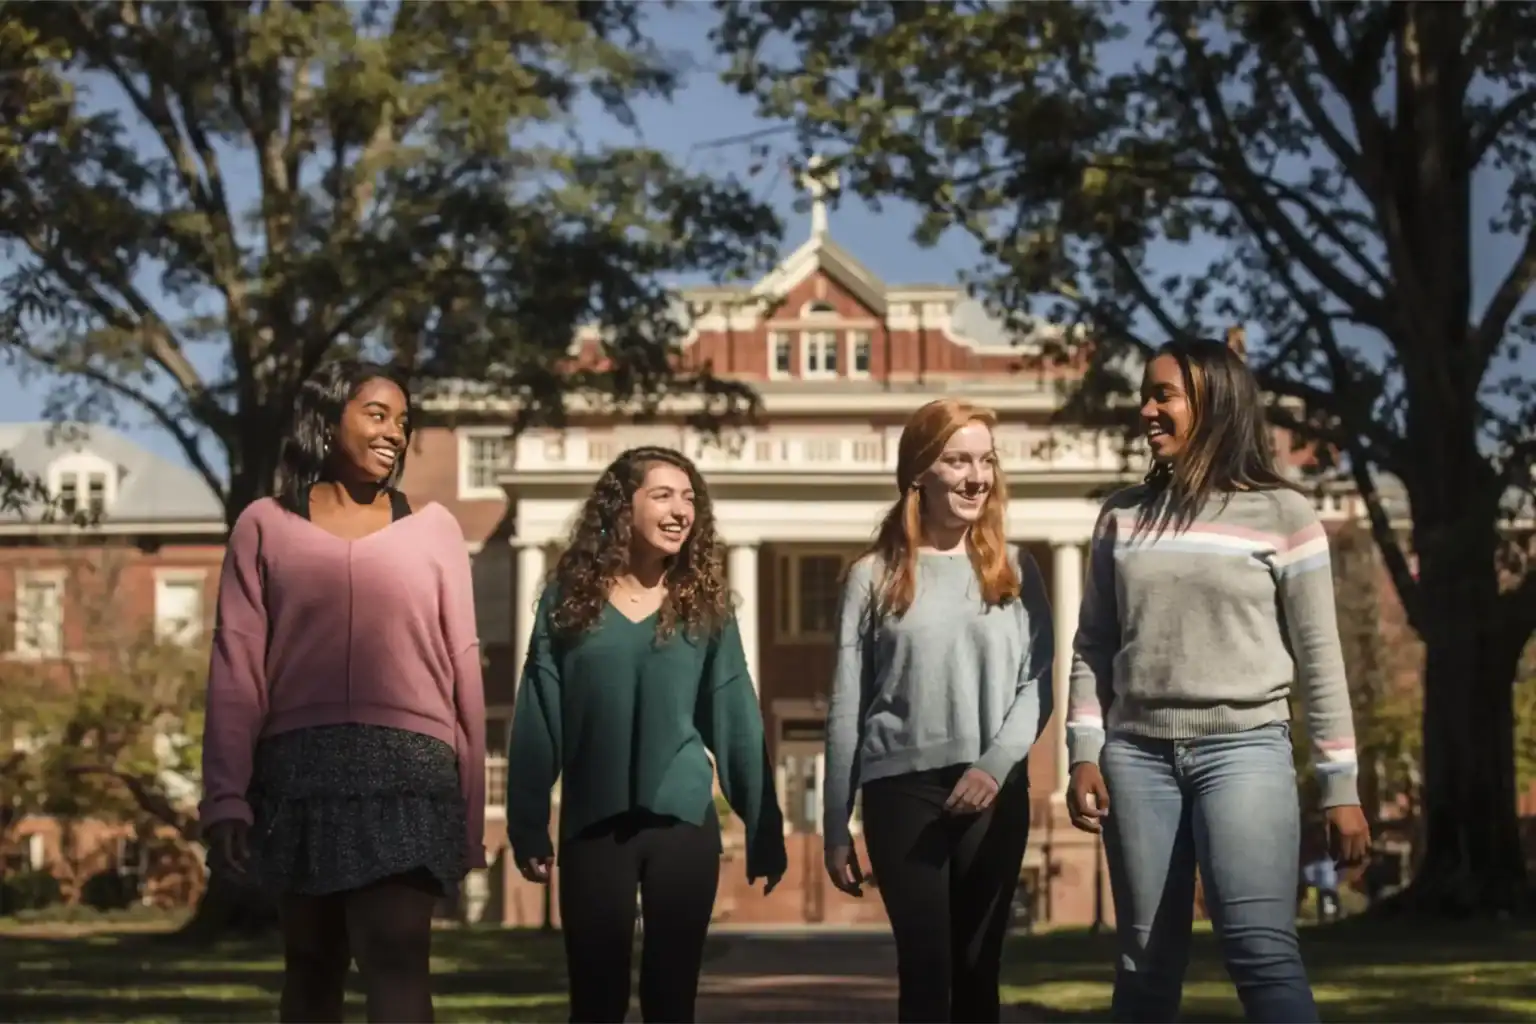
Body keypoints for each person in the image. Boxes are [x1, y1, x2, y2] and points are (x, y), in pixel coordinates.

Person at [1063, 335, 1373, 1024]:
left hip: (1246, 749)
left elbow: (1320, 660)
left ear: (1214, 403)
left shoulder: (1285, 515)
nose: (1146, 409)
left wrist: (1341, 787)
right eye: (1145, 394)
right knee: (1144, 962)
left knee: (1260, 950)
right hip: (1136, 757)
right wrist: (1083, 751)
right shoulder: (1120, 515)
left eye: (1162, 395)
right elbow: (1094, 643)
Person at [199, 360, 486, 1024]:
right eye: (377, 414)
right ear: (328, 421)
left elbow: (463, 667)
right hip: (299, 772)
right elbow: (236, 664)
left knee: (396, 950)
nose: (395, 433)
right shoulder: (262, 526)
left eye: (404, 422)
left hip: (409, 770)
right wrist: (225, 795)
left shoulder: (437, 528)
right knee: (311, 960)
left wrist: (470, 812)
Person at [506, 445, 787, 1024]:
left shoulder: (704, 607)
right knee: (595, 1001)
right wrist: (528, 819)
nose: (681, 509)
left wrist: (764, 825)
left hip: (682, 823)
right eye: (663, 495)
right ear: (621, 508)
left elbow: (735, 717)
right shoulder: (567, 602)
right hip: (592, 824)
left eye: (689, 498)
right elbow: (538, 712)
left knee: (671, 999)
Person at [822, 398, 1056, 1024]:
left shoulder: (1017, 571)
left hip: (994, 791)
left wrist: (994, 766)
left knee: (979, 974)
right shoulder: (871, 577)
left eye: (985, 460)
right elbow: (848, 701)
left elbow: (1038, 684)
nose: (975, 475)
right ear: (919, 472)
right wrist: (833, 822)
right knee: (925, 974)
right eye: (957, 460)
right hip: (902, 797)